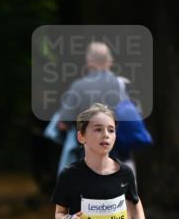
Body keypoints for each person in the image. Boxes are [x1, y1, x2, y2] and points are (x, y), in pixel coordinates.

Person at [54, 42, 128, 175]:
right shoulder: (120, 85)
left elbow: (62, 125)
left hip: (86, 157)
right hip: (118, 154)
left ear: (89, 62)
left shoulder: (78, 87)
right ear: (109, 61)